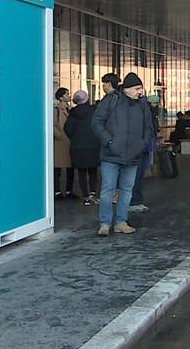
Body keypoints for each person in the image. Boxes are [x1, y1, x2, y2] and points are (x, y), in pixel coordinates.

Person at [92, 72, 153, 236]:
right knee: (108, 190)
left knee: (127, 190)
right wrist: (109, 142)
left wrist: (142, 144)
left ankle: (121, 222)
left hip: (133, 155)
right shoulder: (111, 100)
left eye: (141, 88)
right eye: (137, 88)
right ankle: (105, 223)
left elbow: (148, 127)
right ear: (126, 89)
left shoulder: (142, 104)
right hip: (111, 154)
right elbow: (96, 123)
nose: (140, 92)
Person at [64, 90, 101, 206]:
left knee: (81, 172)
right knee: (93, 171)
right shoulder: (94, 111)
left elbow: (67, 129)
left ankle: (85, 196)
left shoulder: (72, 113)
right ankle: (93, 194)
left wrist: (75, 138)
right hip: (93, 145)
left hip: (77, 147)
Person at [130, 99, 158, 213]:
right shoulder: (139, 113)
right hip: (139, 147)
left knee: (139, 175)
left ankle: (137, 200)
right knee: (135, 176)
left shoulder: (147, 113)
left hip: (145, 146)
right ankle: (133, 201)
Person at [53, 87, 76, 197]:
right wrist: (61, 136)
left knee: (70, 168)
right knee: (57, 169)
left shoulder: (70, 109)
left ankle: (68, 191)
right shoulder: (56, 109)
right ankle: (57, 191)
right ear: (61, 97)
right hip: (60, 143)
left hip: (69, 142)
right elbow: (53, 125)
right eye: (67, 94)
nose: (69, 96)